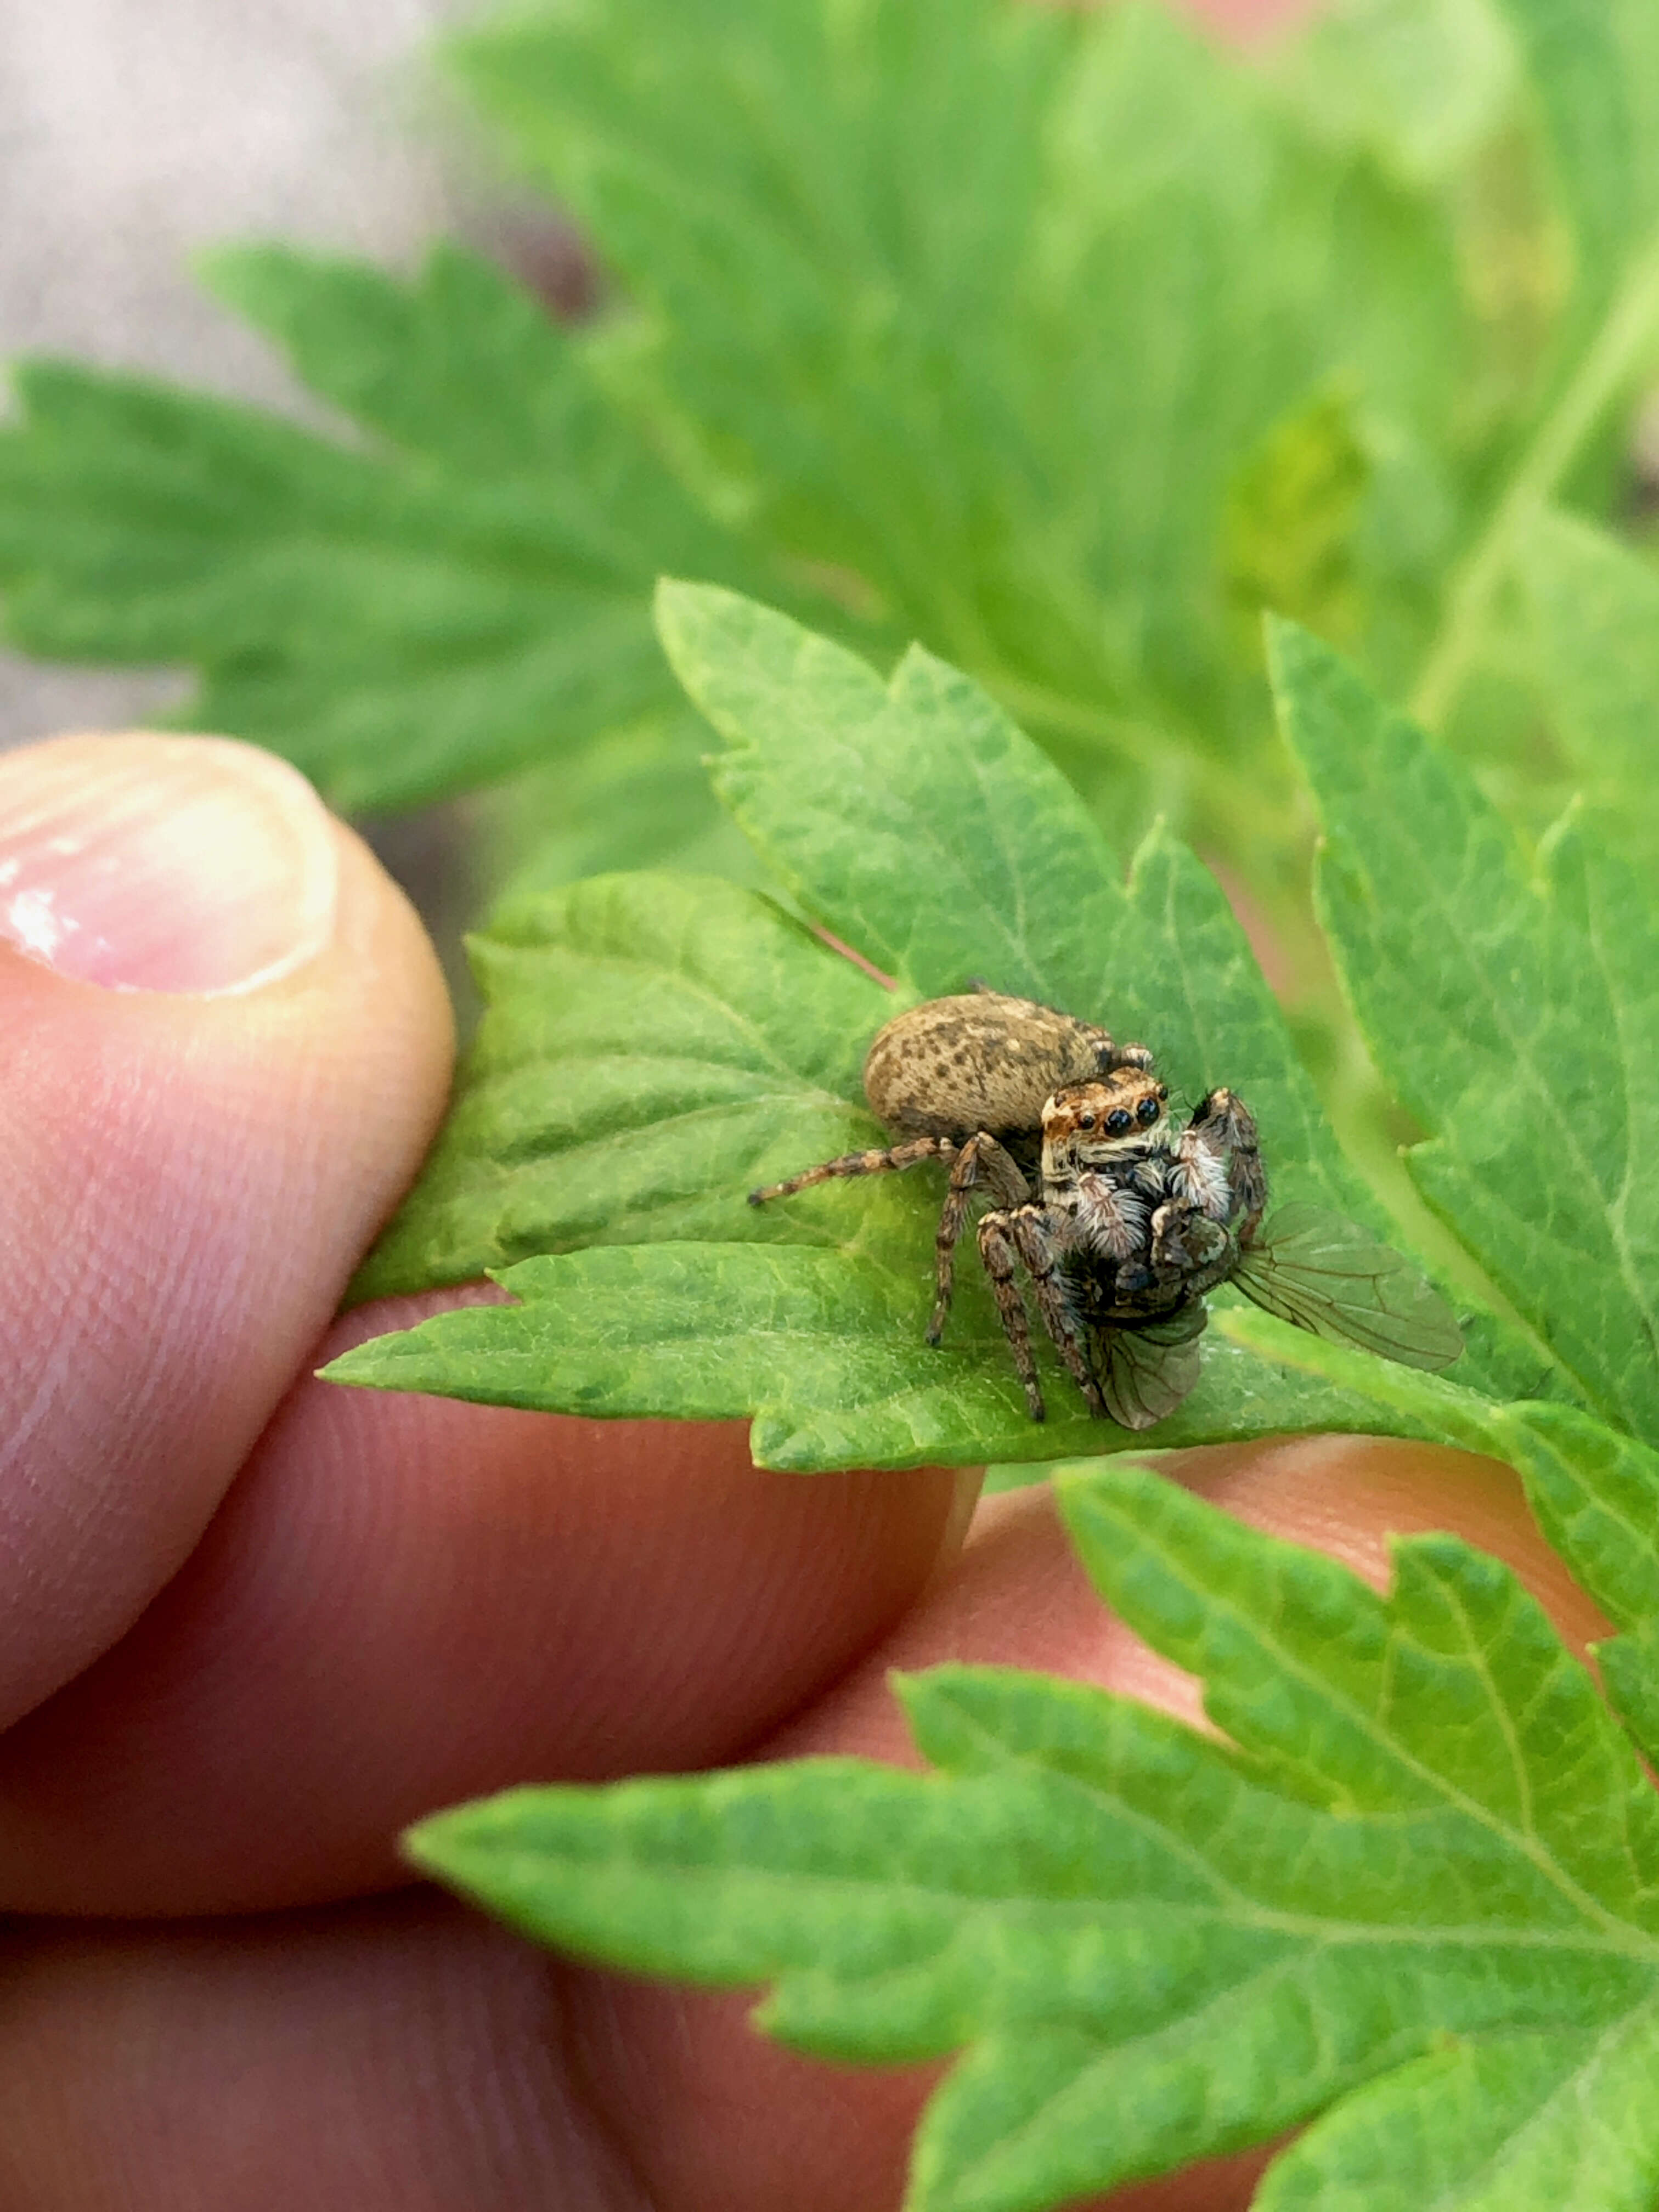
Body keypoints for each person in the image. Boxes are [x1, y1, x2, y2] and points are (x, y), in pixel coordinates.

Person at [0, 732, 1599, 2209]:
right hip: (933, 1080)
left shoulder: (1103, 1096)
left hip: (988, 1054)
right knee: (969, 1193)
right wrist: (978, 1314)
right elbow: (956, 1157)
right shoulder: (1013, 1140)